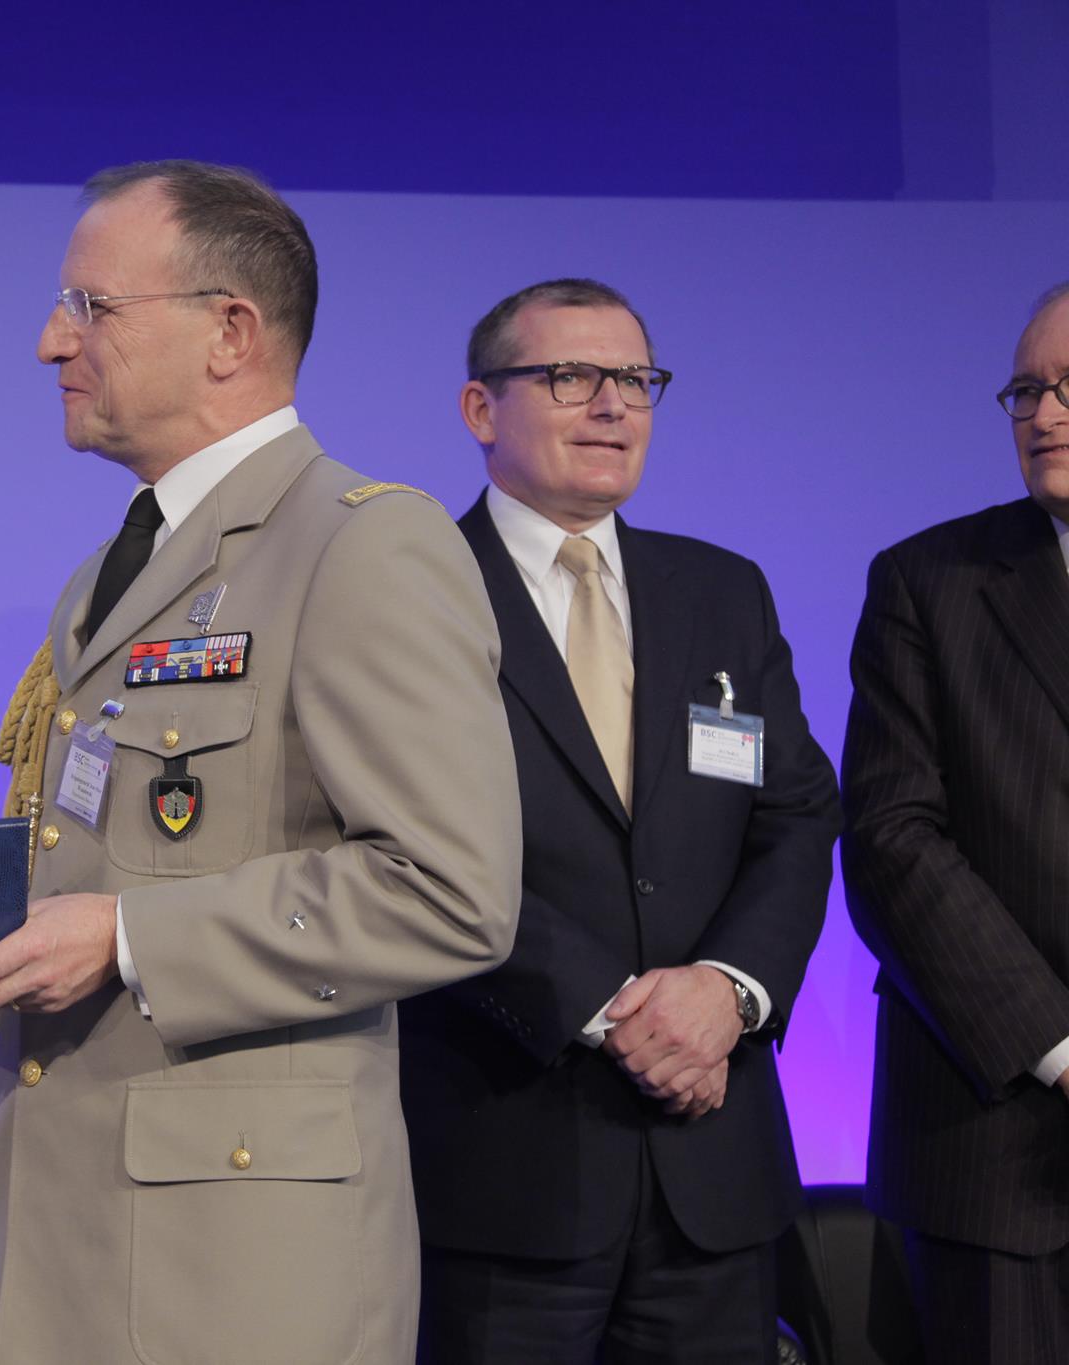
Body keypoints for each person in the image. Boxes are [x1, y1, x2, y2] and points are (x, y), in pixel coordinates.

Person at [0, 160, 522, 1364]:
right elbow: (67, 887)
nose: (52, 341)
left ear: (230, 333)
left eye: (90, 307)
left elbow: (448, 893)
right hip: (58, 1231)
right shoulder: (124, 564)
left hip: (236, 1271)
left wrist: (129, 938)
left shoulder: (363, 546)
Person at [398, 278, 840, 1363]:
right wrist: (615, 1014)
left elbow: (794, 813)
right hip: (508, 1164)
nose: (612, 404)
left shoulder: (718, 590)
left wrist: (725, 994)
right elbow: (403, 839)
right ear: (477, 409)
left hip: (713, 1160)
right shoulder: (409, 590)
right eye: (570, 376)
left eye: (635, 379)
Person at [842, 282, 1069, 1363]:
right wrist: (1057, 1048)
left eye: (1068, 388)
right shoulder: (927, 582)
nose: (1041, 415)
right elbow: (892, 841)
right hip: (991, 1146)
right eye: (1024, 390)